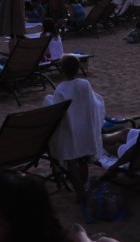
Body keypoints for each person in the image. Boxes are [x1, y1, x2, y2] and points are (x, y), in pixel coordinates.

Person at [44, 55, 106, 199]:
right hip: (84, 129)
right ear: (78, 69)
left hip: (69, 131)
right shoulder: (84, 84)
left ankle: (80, 192)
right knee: (83, 160)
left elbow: (57, 109)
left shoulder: (61, 89)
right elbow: (95, 102)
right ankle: (83, 187)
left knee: (72, 162)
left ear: (62, 70)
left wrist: (47, 100)